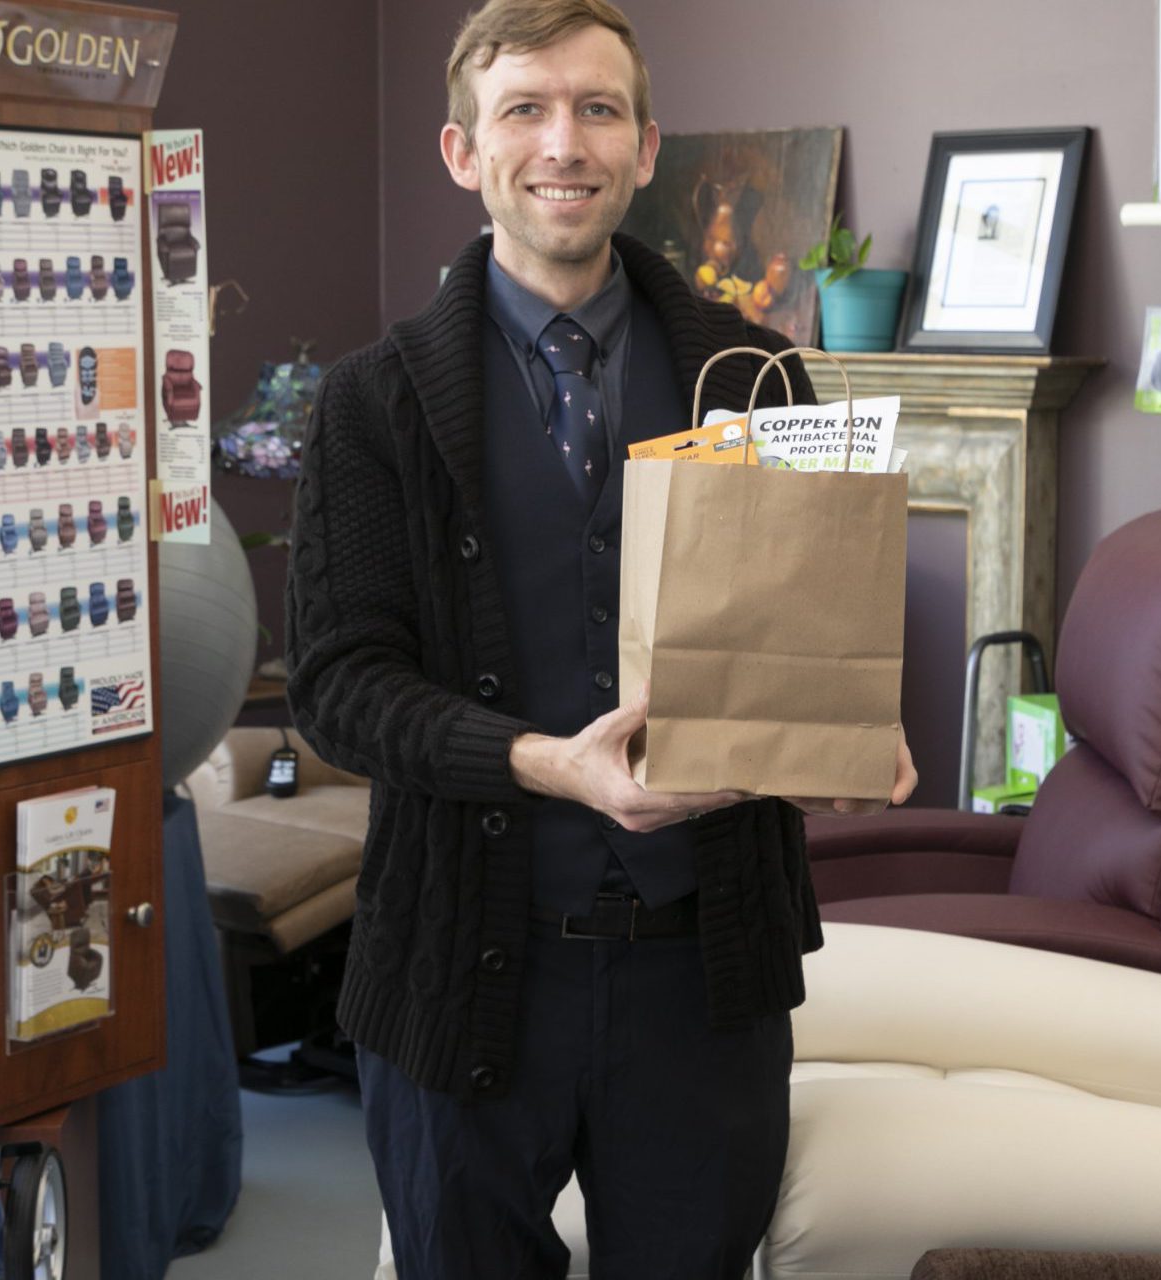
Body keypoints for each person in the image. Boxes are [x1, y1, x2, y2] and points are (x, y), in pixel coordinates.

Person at [282, 2, 917, 1275]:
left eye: (598, 109)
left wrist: (837, 739)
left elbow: (803, 643)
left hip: (705, 983)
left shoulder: (760, 377)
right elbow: (339, 685)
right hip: (462, 972)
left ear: (645, 147)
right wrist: (545, 762)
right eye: (523, 109)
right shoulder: (372, 401)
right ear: (463, 151)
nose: (562, 143)